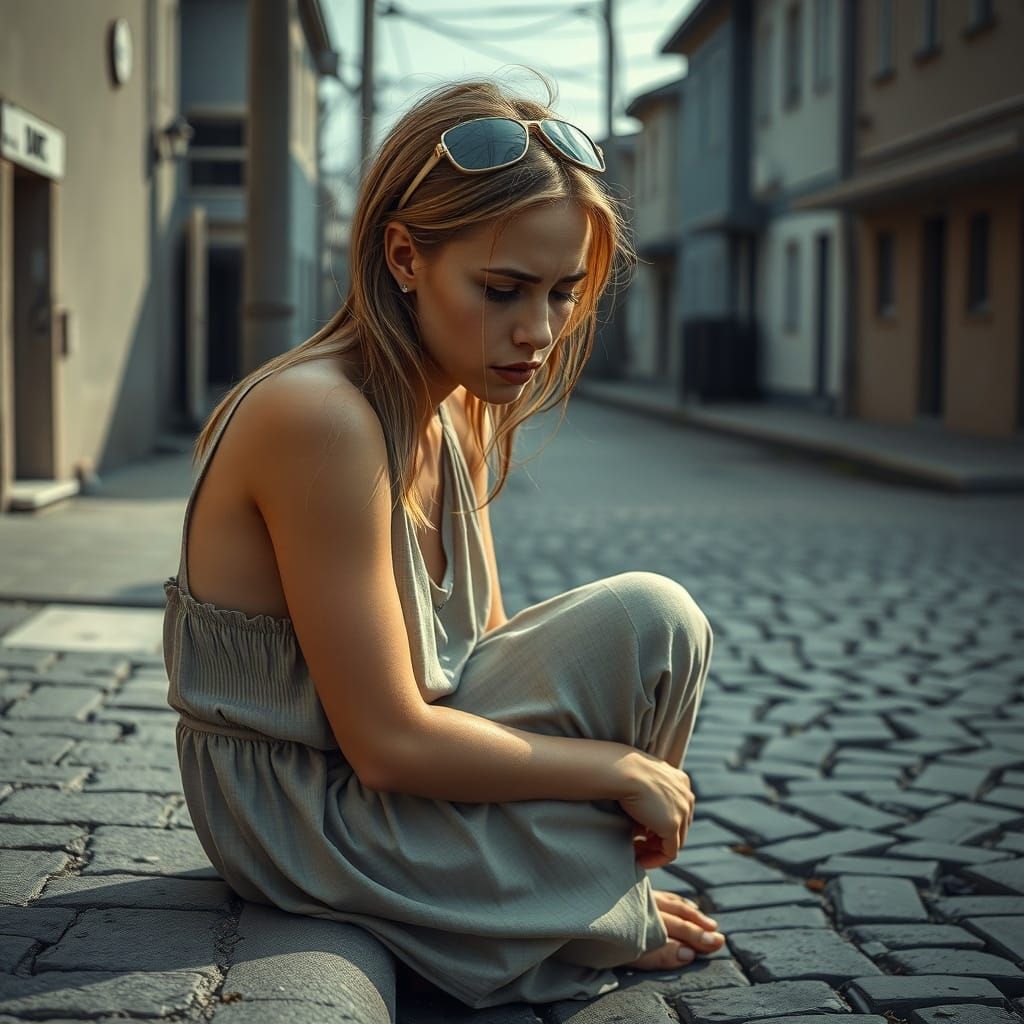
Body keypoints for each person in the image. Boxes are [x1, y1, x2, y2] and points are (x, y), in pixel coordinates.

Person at [162, 71, 723, 1013]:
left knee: (658, 624)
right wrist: (621, 772)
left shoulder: (458, 409)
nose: (539, 331)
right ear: (404, 256)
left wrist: (598, 793)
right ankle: (559, 908)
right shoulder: (320, 419)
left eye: (564, 293)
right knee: (639, 651)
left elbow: (487, 664)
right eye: (503, 290)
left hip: (403, 790)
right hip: (307, 814)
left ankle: (549, 900)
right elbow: (386, 745)